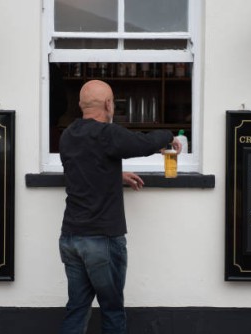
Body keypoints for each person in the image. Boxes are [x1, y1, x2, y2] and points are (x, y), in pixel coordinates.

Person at [58, 80, 181, 334]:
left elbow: (83, 168)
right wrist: (170, 135)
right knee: (112, 310)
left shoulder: (68, 135)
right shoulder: (107, 134)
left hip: (71, 237)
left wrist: (117, 174)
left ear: (81, 105)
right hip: (102, 238)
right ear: (108, 104)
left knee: (77, 308)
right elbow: (142, 143)